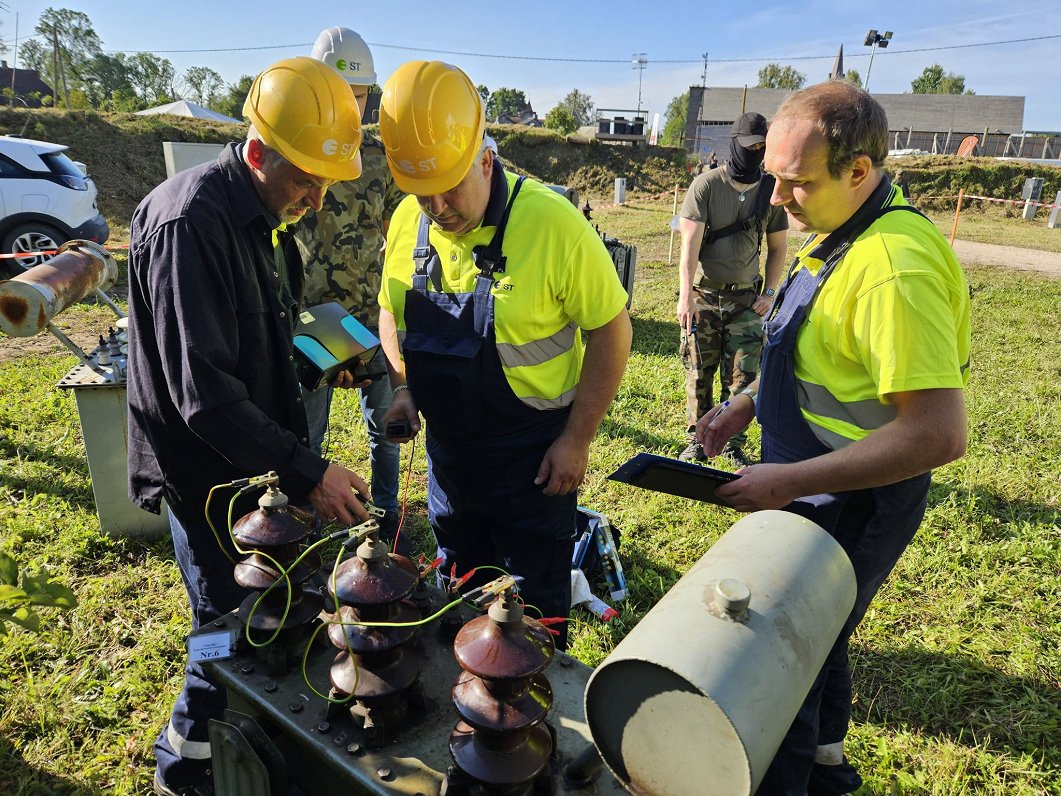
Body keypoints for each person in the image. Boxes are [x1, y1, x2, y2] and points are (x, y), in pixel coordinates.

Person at [697, 81, 970, 795]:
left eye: (796, 184)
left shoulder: (891, 268)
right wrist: (746, 403)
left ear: (859, 170)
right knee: (822, 635)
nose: (777, 201)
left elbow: (938, 434)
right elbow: (815, 348)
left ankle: (782, 778)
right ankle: (824, 764)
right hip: (811, 482)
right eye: (774, 180)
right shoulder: (839, 232)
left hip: (853, 499)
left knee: (784, 661)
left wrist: (787, 482)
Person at [126, 57, 371, 796]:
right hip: (206, 476)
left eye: (327, 183)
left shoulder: (259, 213)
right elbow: (203, 393)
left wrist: (323, 356)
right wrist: (309, 471)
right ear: (258, 152)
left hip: (251, 468)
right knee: (225, 630)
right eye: (306, 180)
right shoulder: (188, 222)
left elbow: (257, 339)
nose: (317, 200)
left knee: (264, 613)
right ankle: (186, 769)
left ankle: (252, 751)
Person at [376, 61, 632, 650]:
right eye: (422, 194)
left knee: (532, 617)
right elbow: (392, 309)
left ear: (486, 159)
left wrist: (577, 440)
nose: (438, 207)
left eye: (451, 187)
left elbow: (613, 331)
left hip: (534, 458)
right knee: (459, 595)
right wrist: (404, 386)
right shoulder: (408, 220)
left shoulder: (553, 224)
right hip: (450, 455)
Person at [296, 27, 406, 542]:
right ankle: (303, 517)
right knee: (306, 435)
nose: (352, 107)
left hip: (367, 314)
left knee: (386, 429)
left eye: (360, 96)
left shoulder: (379, 159)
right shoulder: (293, 151)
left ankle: (382, 516)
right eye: (341, 95)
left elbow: (397, 235)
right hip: (311, 321)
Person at [677, 111, 788, 467]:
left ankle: (731, 441)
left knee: (744, 374)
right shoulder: (706, 186)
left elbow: (779, 248)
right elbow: (689, 247)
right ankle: (697, 437)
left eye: (762, 147)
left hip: (746, 300)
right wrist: (686, 296)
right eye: (750, 146)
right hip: (704, 297)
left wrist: (769, 294)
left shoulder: (770, 190)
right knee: (699, 370)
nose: (755, 152)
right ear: (734, 146)